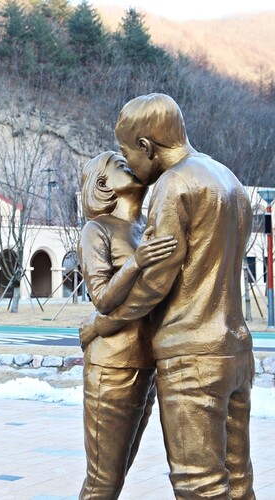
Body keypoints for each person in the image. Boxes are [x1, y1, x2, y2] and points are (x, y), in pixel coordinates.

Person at [81, 93, 255, 498]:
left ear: (146, 146)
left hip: (192, 354)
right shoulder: (228, 179)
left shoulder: (174, 183)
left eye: (128, 153)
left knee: (199, 484)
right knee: (239, 481)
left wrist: (101, 324)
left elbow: (155, 283)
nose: (130, 163)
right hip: (235, 350)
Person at [78, 151, 177, 499]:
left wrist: (97, 325)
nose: (131, 166)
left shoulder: (148, 227)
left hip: (148, 362)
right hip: (112, 365)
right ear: (103, 184)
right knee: (103, 481)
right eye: (121, 165)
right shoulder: (97, 230)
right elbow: (102, 298)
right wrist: (136, 262)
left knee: (118, 476)